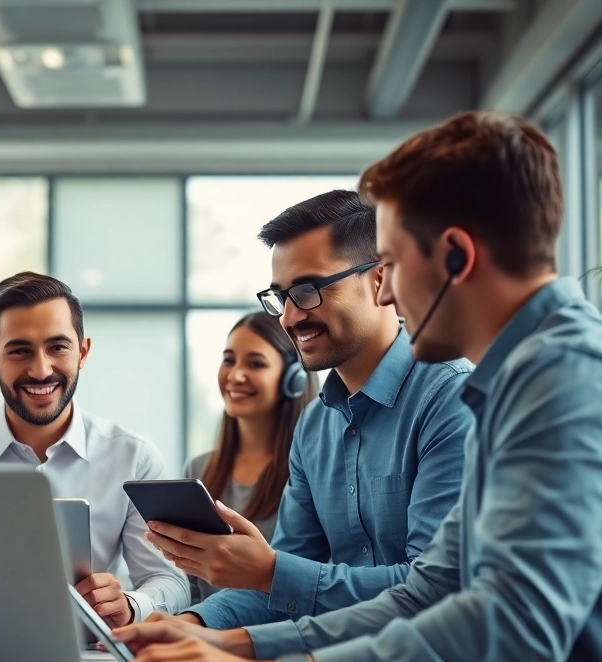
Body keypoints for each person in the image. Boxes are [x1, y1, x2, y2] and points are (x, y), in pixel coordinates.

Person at [108, 111, 602, 662]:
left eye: (392, 263)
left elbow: (514, 621)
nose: (389, 287)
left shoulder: (568, 381)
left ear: (454, 256)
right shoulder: (514, 385)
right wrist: (239, 648)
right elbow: (427, 593)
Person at [149, 190, 472, 627]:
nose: (288, 318)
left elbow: (434, 590)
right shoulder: (315, 426)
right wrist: (188, 626)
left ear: (380, 281)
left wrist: (268, 573)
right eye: (281, 296)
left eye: (307, 290)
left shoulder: (451, 397)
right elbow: (280, 590)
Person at [0, 272, 189, 625]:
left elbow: (172, 581)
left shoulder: (134, 457)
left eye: (57, 347)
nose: (40, 370)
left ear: (83, 352)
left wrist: (131, 604)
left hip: (87, 660)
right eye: (19, 350)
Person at [182, 311, 317, 603]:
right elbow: (188, 583)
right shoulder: (199, 469)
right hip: (202, 634)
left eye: (255, 363)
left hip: (277, 638)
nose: (235, 375)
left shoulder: (311, 470)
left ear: (293, 378)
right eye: (229, 359)